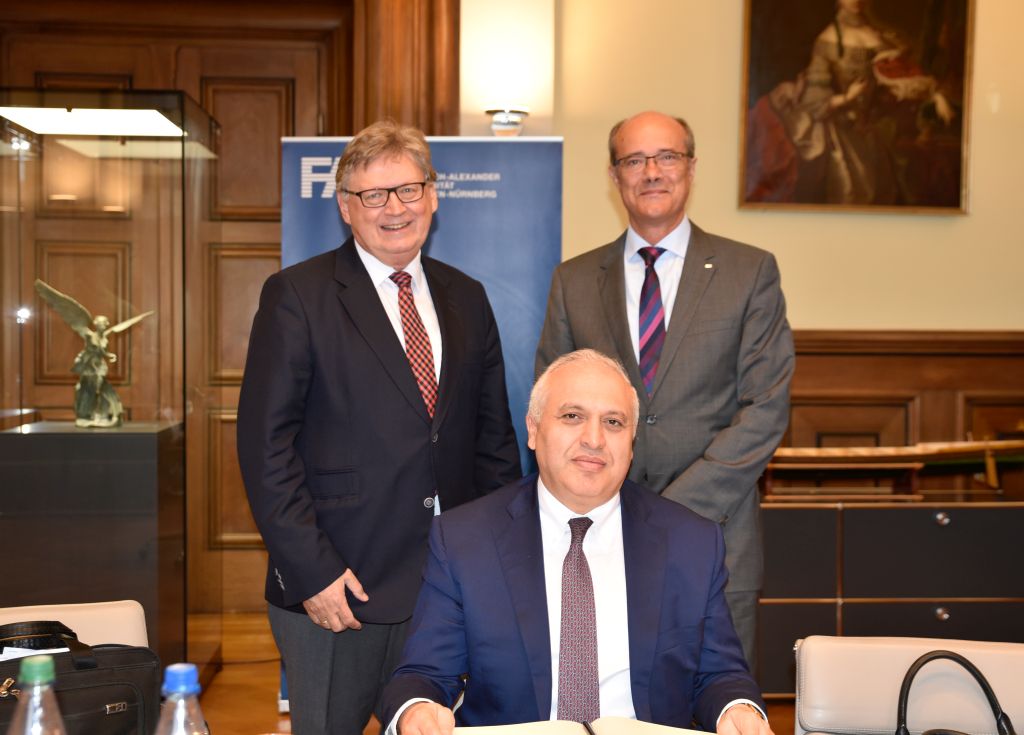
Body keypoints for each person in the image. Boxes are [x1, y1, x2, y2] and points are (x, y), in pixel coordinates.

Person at [237, 119, 522, 734]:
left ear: (433, 195)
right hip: (340, 589)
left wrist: (500, 564)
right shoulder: (298, 295)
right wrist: (311, 571)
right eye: (372, 195)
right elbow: (266, 447)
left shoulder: (467, 297)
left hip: (451, 588)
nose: (394, 209)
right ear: (345, 207)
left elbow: (494, 444)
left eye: (408, 190)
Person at [381, 350, 773, 735]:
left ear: (632, 442)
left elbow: (719, 675)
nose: (594, 439)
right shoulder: (466, 539)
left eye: (614, 422)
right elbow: (424, 675)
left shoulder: (691, 542)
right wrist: (418, 710)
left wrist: (736, 709)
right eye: (572, 416)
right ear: (533, 430)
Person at [535, 111, 794, 674]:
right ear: (614, 175)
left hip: (714, 533)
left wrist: (667, 510)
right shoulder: (574, 281)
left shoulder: (749, 273)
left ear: (691, 168)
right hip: (595, 535)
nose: (651, 171)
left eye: (667, 157)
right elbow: (553, 410)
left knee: (718, 703)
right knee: (608, 700)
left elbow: (766, 408)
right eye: (634, 160)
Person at [744, 0, 959, 205]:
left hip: (874, 129)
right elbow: (814, 101)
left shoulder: (881, 37)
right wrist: (849, 97)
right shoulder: (828, 40)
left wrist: (934, 94)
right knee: (853, 188)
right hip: (839, 130)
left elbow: (901, 79)